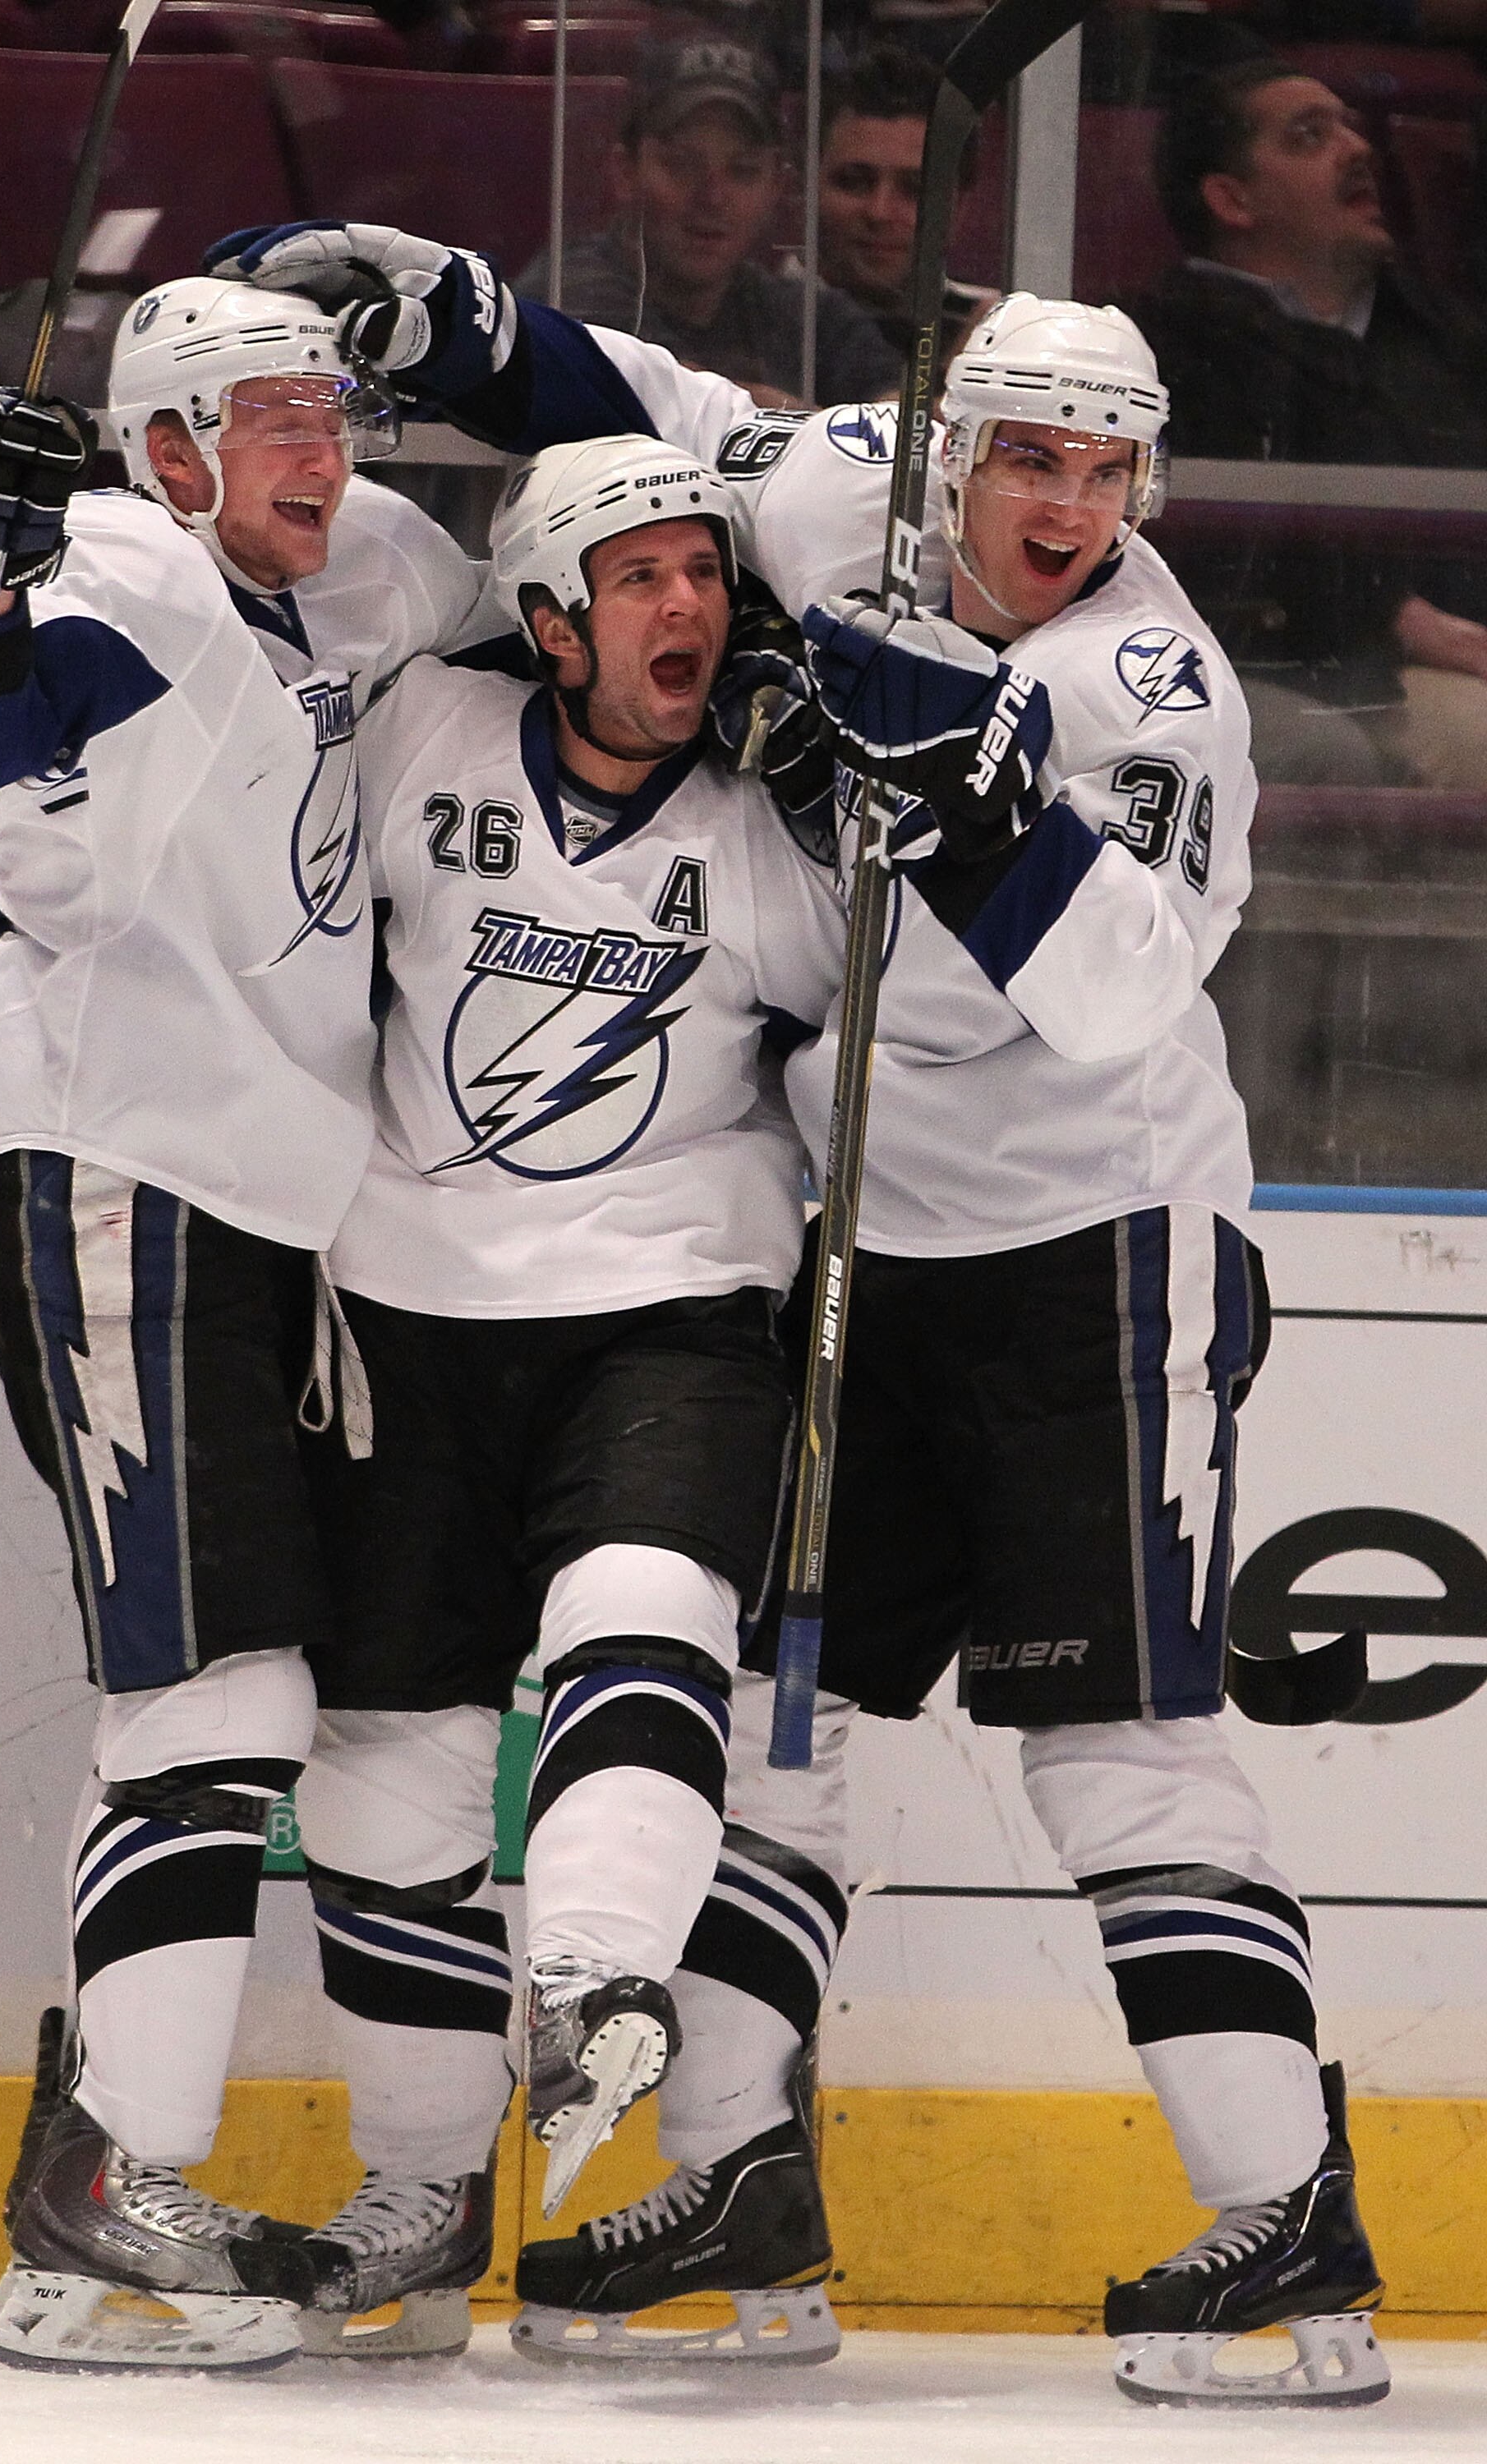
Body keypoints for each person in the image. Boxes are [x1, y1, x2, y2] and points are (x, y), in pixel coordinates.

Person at [510, 297, 1392, 2410]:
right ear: (948, 455)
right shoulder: (838, 488)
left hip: (1096, 1256)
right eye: (1027, 461)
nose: (1067, 508)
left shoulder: (1148, 689)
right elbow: (656, 433)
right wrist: (450, 318)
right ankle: (742, 2188)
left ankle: (1288, 2244)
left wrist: (972, 792)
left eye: (1106, 473)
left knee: (1120, 1752)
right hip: (864, 1254)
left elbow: (1100, 997)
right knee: (768, 1719)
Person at [0, 272, 526, 2374]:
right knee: (214, 1690)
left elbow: (528, 601)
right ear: (160, 447)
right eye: (267, 425)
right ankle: (105, 2198)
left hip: (287, 1208)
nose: (318, 455)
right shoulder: (126, 567)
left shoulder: (362, 560)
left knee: (341, 1707)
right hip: (108, 1157)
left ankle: (288, 2197)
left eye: (328, 416)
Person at [273, 433, 847, 2357]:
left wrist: (878, 778)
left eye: (708, 570)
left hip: (669, 1303)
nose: (686, 604)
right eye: (642, 577)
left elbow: (922, 1032)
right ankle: (427, 2190)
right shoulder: (416, 731)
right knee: (386, 1771)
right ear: (545, 619)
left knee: (644, 1613)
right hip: (407, 1308)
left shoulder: (775, 828)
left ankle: (598, 1983)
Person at [1128, 56, 1487, 788]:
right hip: (1329, 677)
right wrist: (1393, 615)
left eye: (1349, 130)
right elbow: (1193, 567)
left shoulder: (1446, 337)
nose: (1357, 149)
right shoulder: (1160, 349)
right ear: (1232, 200)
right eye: (1308, 136)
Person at [516, 39, 904, 407]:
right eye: (682, 165)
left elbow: (906, 429)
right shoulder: (568, 290)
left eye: (743, 171)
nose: (713, 198)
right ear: (625, 173)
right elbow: (662, 399)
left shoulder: (807, 319)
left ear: (777, 186)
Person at [809, 44, 992, 362]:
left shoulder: (995, 332)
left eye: (914, 190)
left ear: (960, 207)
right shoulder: (742, 317)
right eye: (853, 182)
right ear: (804, 187)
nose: (879, 212)